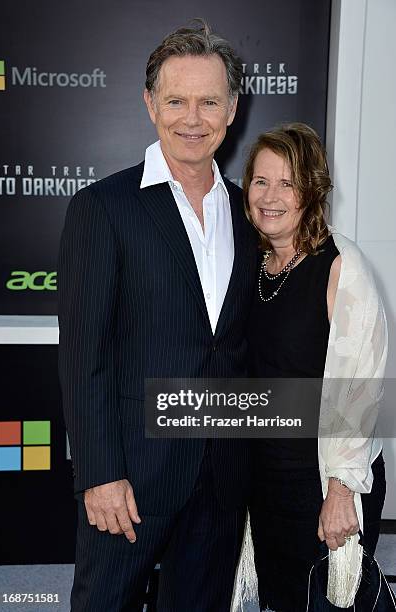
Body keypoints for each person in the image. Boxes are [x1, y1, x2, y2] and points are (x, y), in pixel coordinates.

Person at [57, 20, 258, 612]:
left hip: (222, 475)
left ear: (231, 108)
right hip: (131, 475)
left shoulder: (248, 214)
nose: (192, 118)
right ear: (150, 104)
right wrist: (99, 473)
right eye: (176, 100)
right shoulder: (104, 208)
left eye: (208, 101)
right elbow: (83, 354)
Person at [241, 123, 387, 611]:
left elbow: (360, 388)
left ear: (314, 190)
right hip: (264, 478)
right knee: (282, 598)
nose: (270, 196)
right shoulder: (252, 263)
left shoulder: (342, 267)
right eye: (261, 181)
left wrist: (341, 490)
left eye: (288, 183)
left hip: (321, 480)